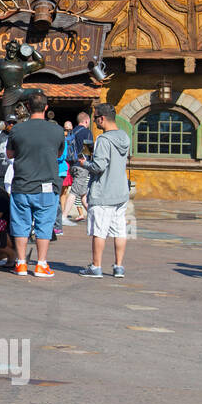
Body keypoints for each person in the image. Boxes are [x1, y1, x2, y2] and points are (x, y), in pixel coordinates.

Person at [6, 92, 65, 277]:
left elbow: (9, 154)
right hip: (47, 185)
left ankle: (21, 263)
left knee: (20, 225)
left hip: (22, 185)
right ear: (46, 108)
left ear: (28, 108)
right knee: (44, 226)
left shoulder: (17, 130)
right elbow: (58, 154)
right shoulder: (57, 130)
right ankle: (41, 264)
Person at [77, 103, 131, 278]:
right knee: (119, 230)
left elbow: (99, 166)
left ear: (102, 118)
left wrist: (85, 163)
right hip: (121, 191)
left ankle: (96, 266)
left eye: (95, 118)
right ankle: (119, 267)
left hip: (103, 192)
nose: (95, 122)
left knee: (99, 231)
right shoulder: (125, 136)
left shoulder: (103, 139)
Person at [62, 112, 93, 223]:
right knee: (75, 192)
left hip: (72, 165)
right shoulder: (87, 132)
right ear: (86, 121)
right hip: (82, 166)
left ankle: (92, 216)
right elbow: (89, 150)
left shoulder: (73, 131)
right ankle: (64, 217)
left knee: (83, 193)